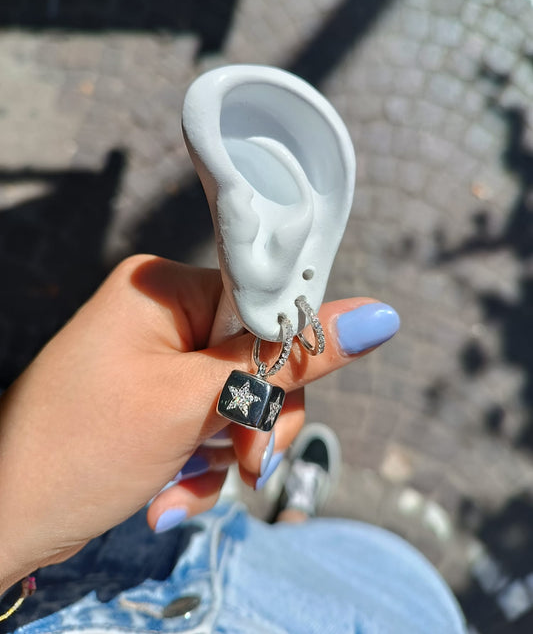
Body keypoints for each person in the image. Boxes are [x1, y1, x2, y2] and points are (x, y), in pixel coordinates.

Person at [0, 255, 465, 633]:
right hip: (277, 602)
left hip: (103, 569)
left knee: (259, 523)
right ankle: (293, 518)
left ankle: (290, 519)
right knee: (382, 596)